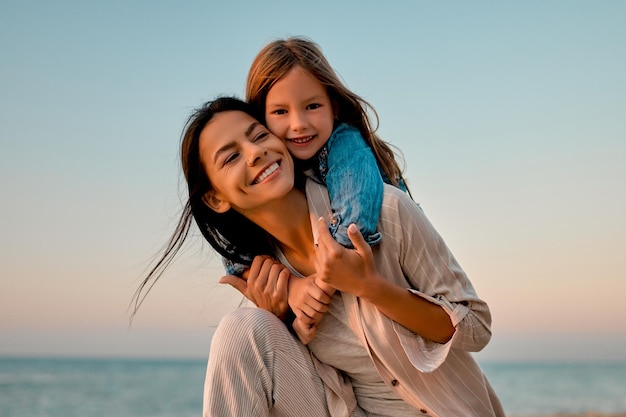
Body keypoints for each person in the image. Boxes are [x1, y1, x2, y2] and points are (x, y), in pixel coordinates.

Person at [134, 96, 505, 416]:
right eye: (231, 157)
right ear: (216, 198)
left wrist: (370, 287)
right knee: (241, 329)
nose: (256, 152)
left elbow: (476, 328)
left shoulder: (385, 212)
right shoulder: (269, 280)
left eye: (259, 135)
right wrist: (281, 319)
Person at [223, 36, 410, 277]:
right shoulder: (269, 171)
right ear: (261, 119)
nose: (299, 124)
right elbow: (234, 245)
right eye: (281, 111)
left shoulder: (345, 143)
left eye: (312, 106)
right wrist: (284, 286)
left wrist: (323, 276)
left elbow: (355, 222)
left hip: (396, 264)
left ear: (334, 107)